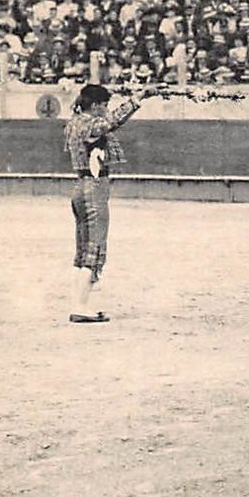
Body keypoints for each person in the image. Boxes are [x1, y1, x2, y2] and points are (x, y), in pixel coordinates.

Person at [63, 81, 163, 324]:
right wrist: (139, 98)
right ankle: (80, 305)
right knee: (94, 248)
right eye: (104, 105)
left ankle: (80, 303)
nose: (107, 109)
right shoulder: (90, 124)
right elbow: (112, 122)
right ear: (96, 106)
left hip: (81, 187)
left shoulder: (74, 123)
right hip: (94, 188)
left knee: (84, 249)